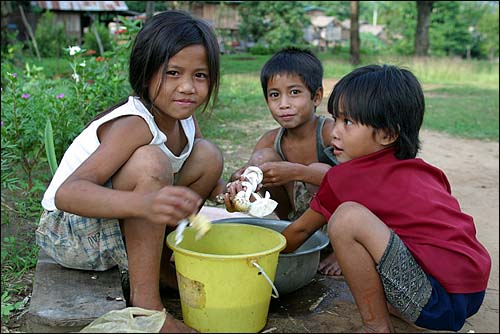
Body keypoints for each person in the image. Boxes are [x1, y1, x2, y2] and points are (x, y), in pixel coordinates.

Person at [35, 10, 228, 333]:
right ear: (145, 72)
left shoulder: (185, 121)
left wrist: (227, 190)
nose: (187, 87)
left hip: (115, 222)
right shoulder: (133, 124)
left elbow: (199, 176)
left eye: (200, 75)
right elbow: (66, 194)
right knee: (151, 163)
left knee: (208, 156)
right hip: (70, 234)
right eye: (173, 73)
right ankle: (146, 307)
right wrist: (144, 204)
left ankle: (161, 268)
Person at [281, 64, 491, 332]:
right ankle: (405, 308)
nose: (335, 131)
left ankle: (376, 327)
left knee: (346, 220)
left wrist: (258, 256)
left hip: (438, 299)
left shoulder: (344, 178)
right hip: (471, 292)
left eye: (348, 122)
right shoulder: (425, 171)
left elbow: (300, 230)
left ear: (388, 134)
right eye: (335, 118)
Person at [220, 47, 342, 275]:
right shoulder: (270, 140)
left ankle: (339, 249)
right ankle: (293, 233)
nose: (283, 104)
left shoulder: (329, 132)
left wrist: (298, 172)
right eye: (274, 95)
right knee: (260, 160)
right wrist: (239, 187)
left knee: (318, 170)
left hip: (336, 223)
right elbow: (245, 180)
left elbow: (352, 182)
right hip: (294, 221)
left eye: (294, 92)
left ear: (316, 96)